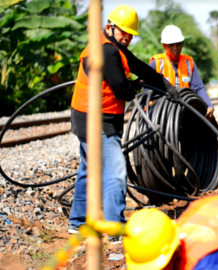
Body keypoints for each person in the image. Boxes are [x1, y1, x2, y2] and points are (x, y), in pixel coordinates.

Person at [69, 5, 180, 234]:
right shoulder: (108, 52)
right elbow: (122, 89)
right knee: (115, 170)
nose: (127, 37)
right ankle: (115, 227)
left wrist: (165, 85)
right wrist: (138, 87)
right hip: (97, 120)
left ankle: (77, 223)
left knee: (88, 169)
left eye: (130, 33)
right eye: (123, 32)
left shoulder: (111, 46)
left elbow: (138, 66)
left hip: (85, 116)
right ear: (110, 27)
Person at [149, 25, 214, 120]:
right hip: (161, 112)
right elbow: (147, 89)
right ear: (164, 46)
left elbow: (198, 87)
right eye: (171, 45)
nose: (175, 48)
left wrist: (209, 105)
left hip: (184, 109)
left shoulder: (189, 62)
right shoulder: (157, 62)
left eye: (178, 44)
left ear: (182, 44)